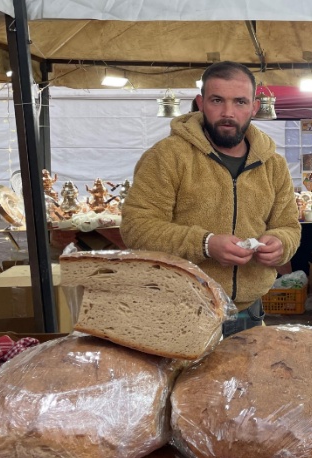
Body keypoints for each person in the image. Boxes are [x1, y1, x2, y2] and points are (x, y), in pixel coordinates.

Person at [121, 61, 301, 337]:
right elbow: (137, 228)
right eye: (217, 100)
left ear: (254, 107)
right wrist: (205, 244)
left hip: (248, 313)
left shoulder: (273, 165)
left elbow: (288, 226)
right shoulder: (167, 156)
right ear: (201, 103)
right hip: (181, 313)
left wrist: (281, 243)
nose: (228, 113)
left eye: (240, 102)